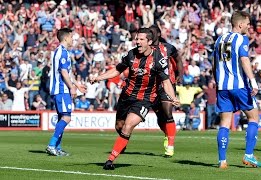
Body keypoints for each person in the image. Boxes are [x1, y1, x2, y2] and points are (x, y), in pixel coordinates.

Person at [90, 28, 179, 170]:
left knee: (128, 125)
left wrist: (173, 97)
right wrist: (98, 77)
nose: (137, 41)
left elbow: (166, 81)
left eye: (141, 39)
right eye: (137, 39)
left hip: (144, 99)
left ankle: (110, 160)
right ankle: (122, 142)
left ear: (149, 42)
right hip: (126, 96)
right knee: (120, 126)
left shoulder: (158, 60)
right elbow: (117, 69)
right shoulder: (131, 54)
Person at [213, 11, 261, 168]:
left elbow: (214, 65)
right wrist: (253, 82)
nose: (249, 26)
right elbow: (244, 59)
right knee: (253, 117)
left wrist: (218, 82)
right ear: (240, 24)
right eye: (247, 23)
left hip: (222, 87)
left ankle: (222, 161)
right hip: (239, 85)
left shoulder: (218, 40)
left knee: (225, 123)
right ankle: (249, 155)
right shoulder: (241, 38)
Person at [46, 28, 87, 156]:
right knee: (67, 117)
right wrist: (71, 87)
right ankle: (52, 145)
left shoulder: (61, 52)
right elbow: (64, 73)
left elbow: (67, 73)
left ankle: (57, 147)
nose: (72, 39)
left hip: (61, 88)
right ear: (65, 38)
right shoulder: (62, 52)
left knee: (61, 118)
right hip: (61, 89)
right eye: (71, 37)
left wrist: (77, 85)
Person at [149, 25, 183, 157]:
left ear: (158, 33)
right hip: (152, 86)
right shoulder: (145, 48)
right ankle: (167, 134)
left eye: (152, 32)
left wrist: (180, 73)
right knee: (160, 116)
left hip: (167, 83)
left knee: (168, 113)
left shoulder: (168, 48)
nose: (150, 35)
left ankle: (170, 145)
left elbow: (178, 59)